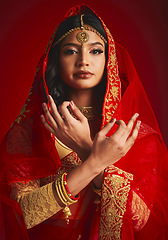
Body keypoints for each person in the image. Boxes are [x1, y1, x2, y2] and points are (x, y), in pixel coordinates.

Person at [0, 4, 168, 240]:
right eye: (71, 51)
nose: (83, 61)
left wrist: (84, 148)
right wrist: (94, 162)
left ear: (109, 59)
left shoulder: (134, 134)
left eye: (95, 51)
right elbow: (23, 214)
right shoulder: (31, 131)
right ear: (55, 59)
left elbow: (145, 222)